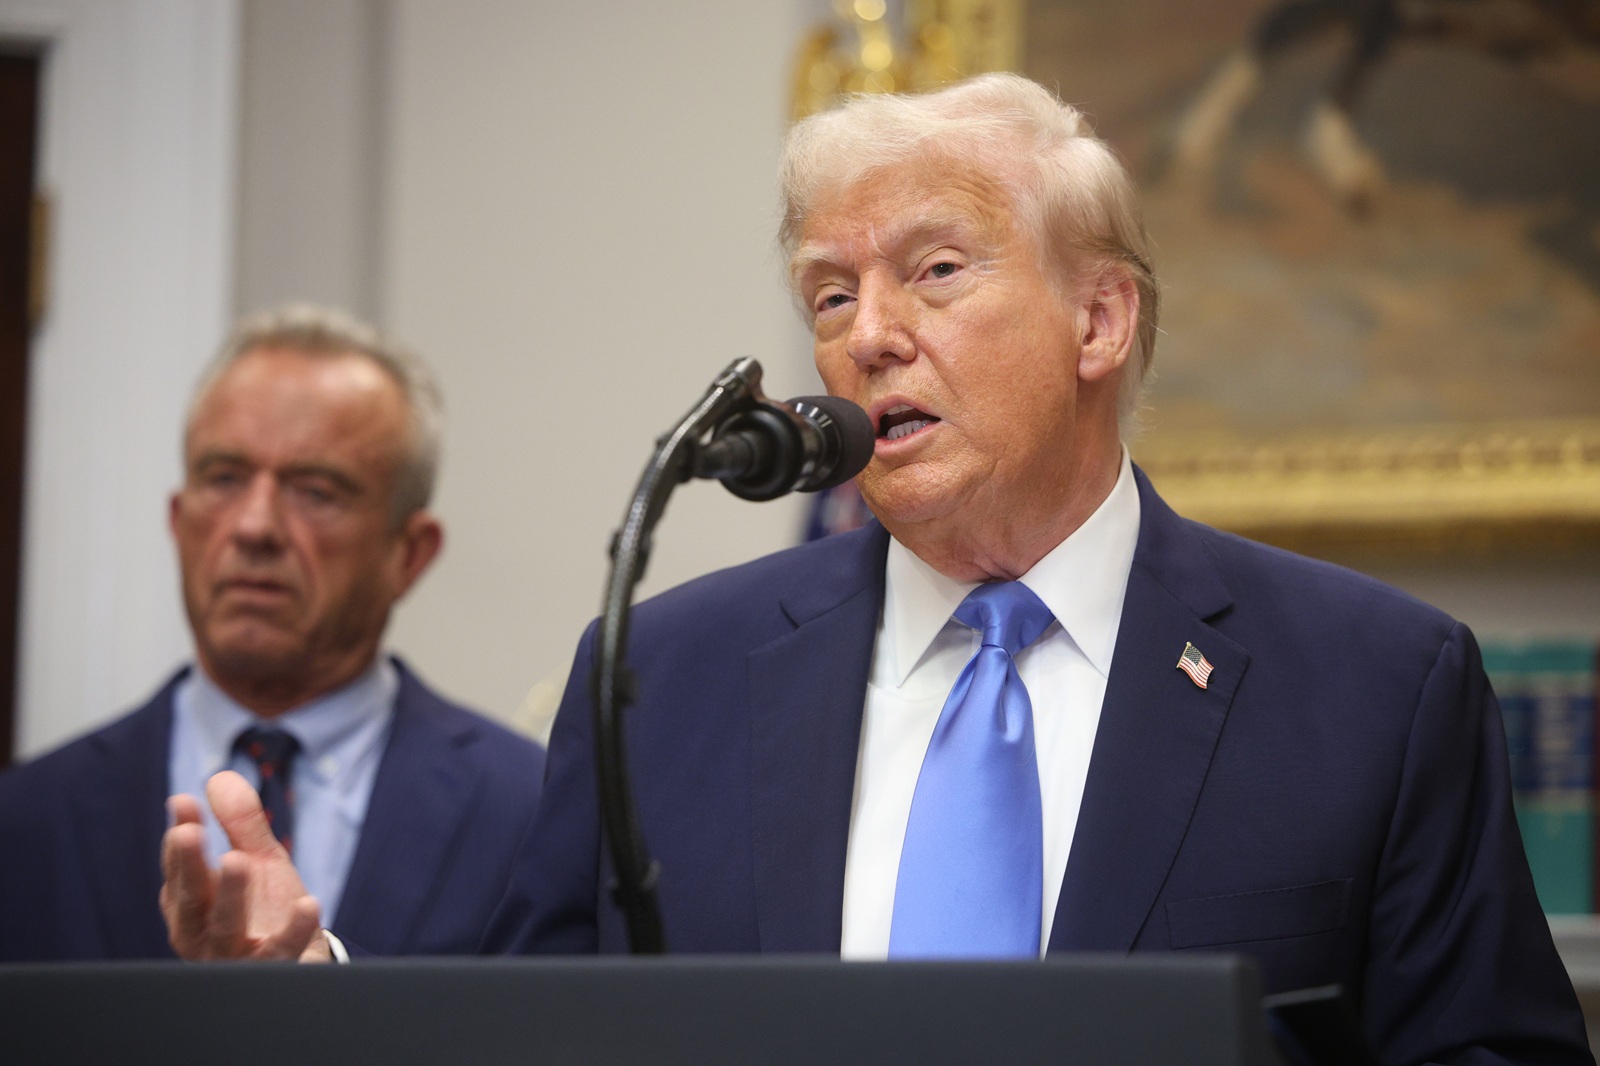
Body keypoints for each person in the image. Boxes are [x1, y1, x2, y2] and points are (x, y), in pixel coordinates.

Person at [160, 78, 1589, 1063]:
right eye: (831, 295)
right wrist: (306, 1004)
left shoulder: (1372, 683)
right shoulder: (664, 680)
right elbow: (540, 1036)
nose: (866, 336)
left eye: (935, 272)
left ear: (1101, 317)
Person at [0, 305, 545, 961]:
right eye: (224, 478)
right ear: (178, 523)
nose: (255, 526)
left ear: (410, 553)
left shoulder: (530, 813)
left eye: (316, 491)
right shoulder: (27, 817)